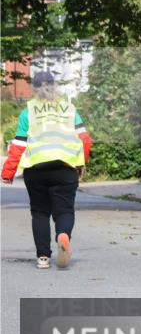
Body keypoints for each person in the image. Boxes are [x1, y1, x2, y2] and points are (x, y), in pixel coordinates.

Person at [2, 71, 92, 269]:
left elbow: (19, 145)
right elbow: (85, 140)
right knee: (64, 210)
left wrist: (8, 172)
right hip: (65, 168)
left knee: (40, 212)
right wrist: (80, 163)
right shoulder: (70, 110)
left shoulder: (28, 112)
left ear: (34, 89)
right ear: (55, 86)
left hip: (36, 170)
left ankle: (43, 257)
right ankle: (63, 235)